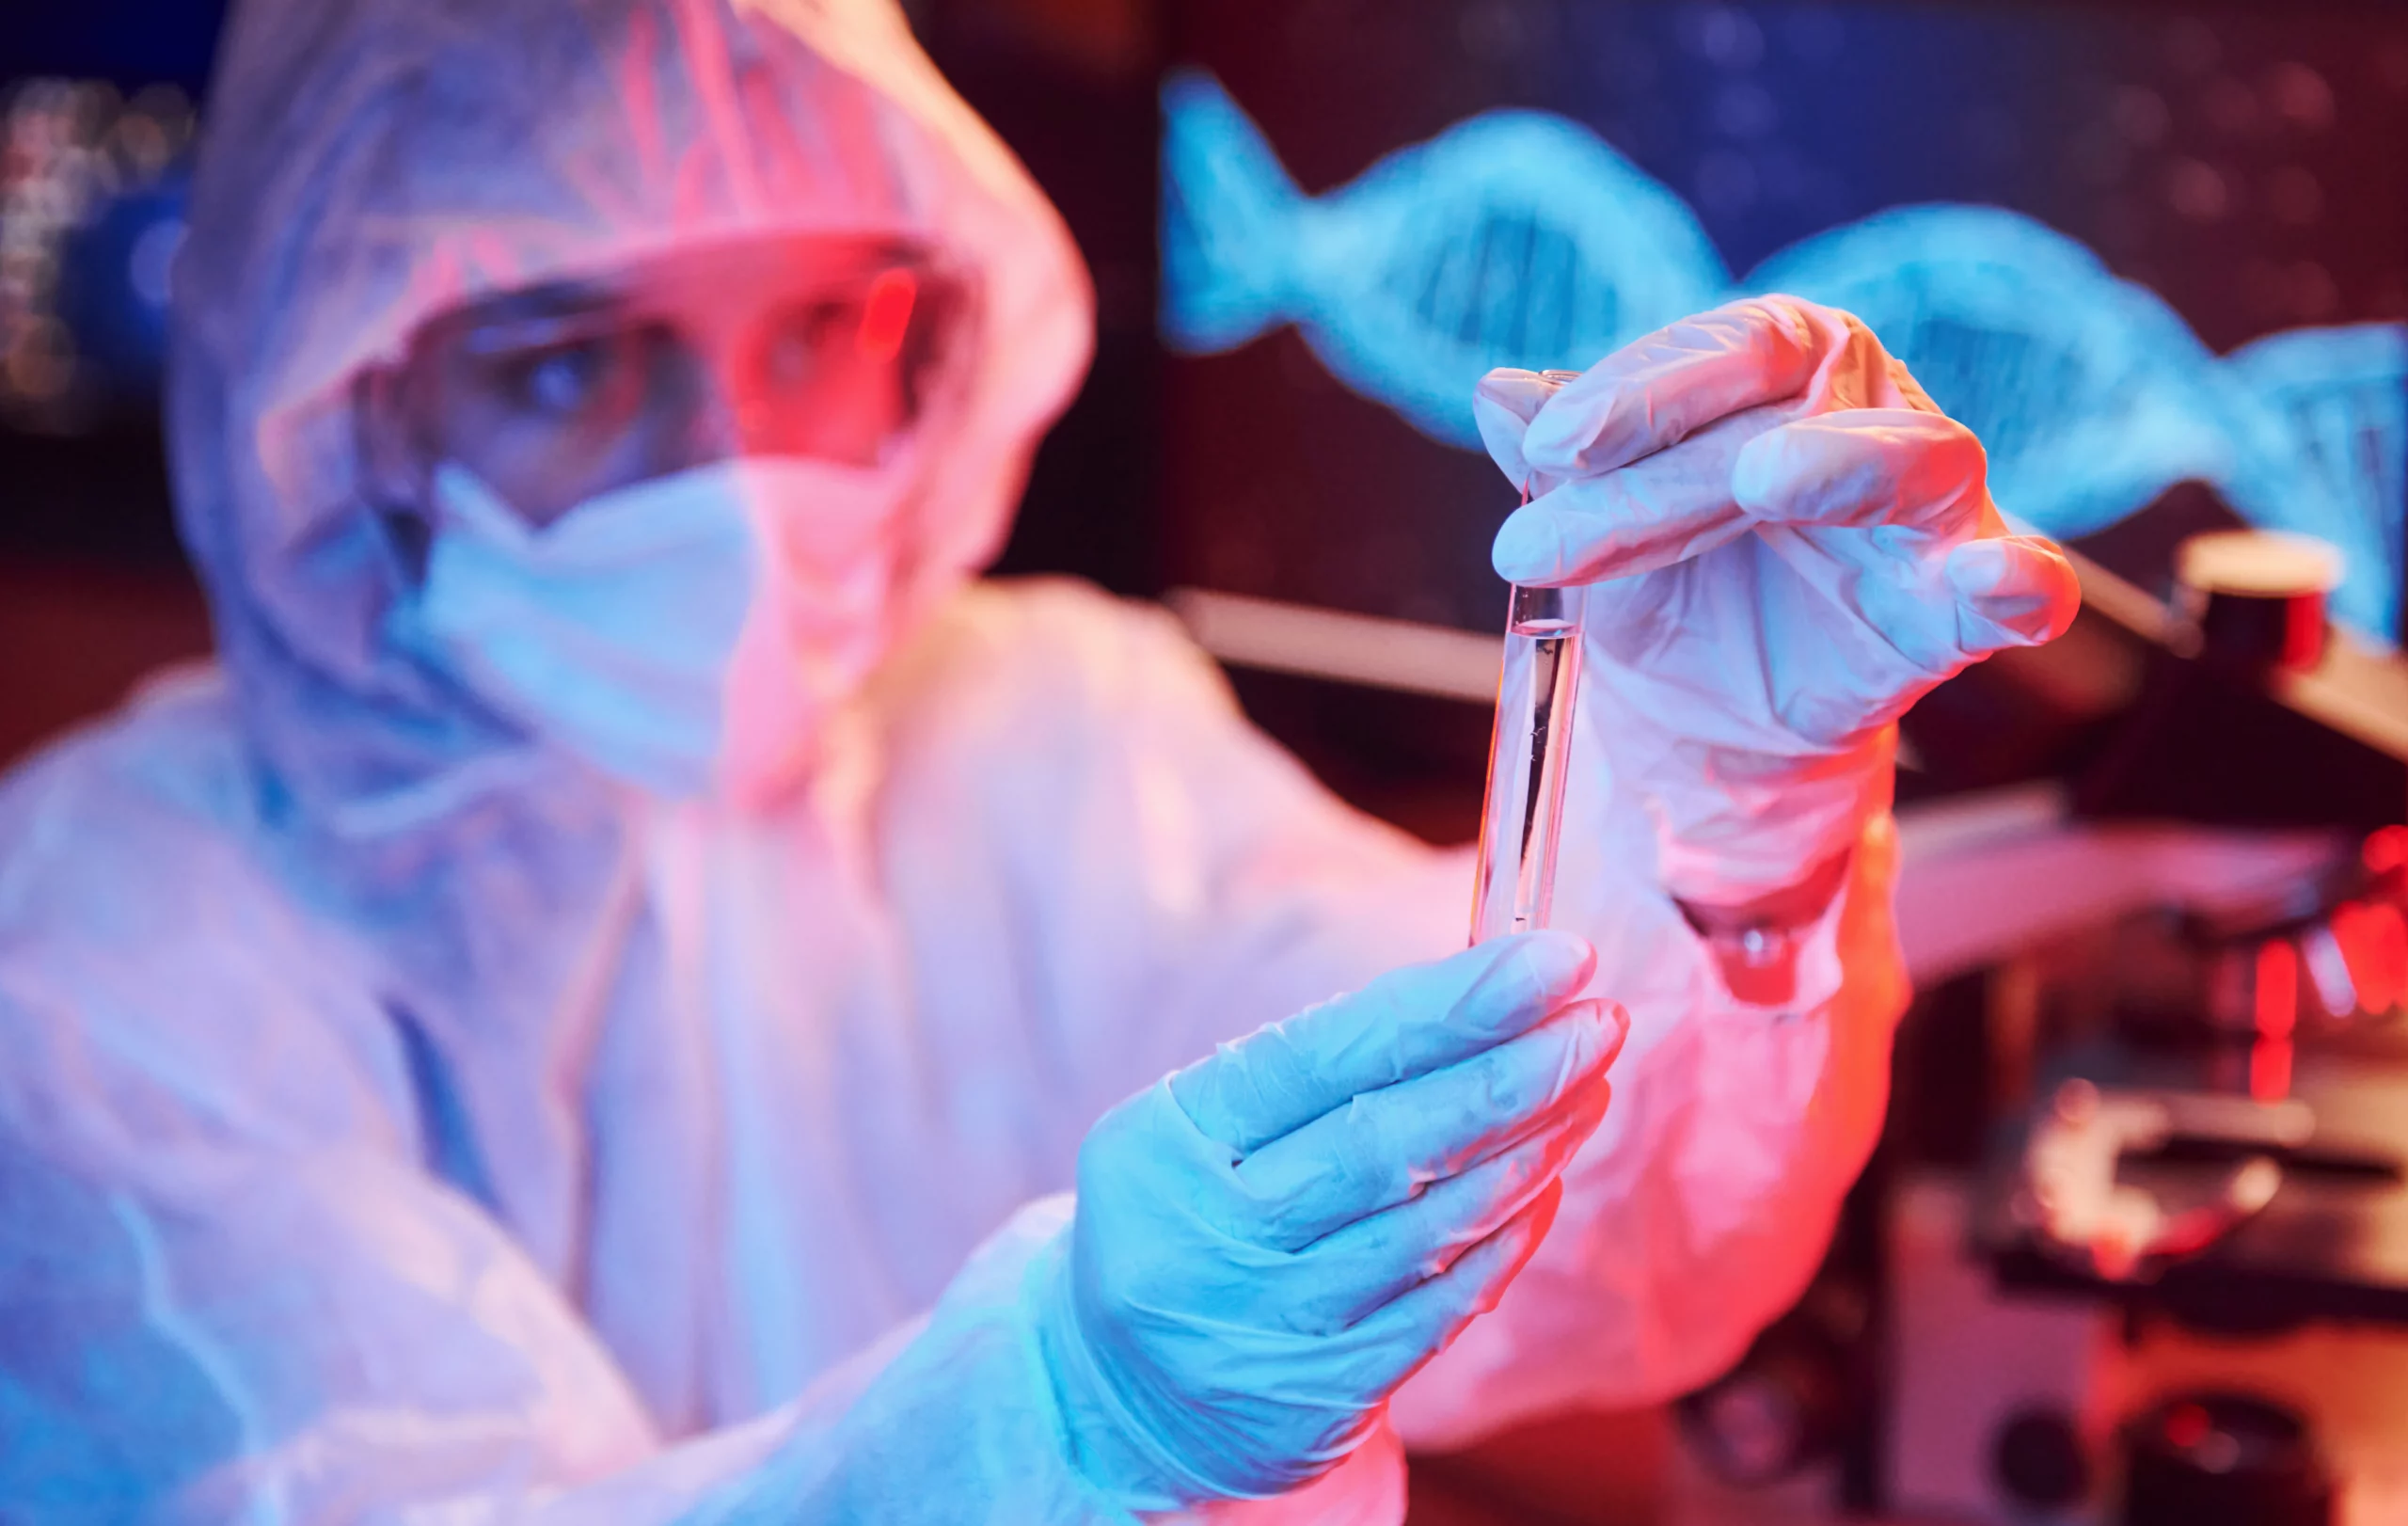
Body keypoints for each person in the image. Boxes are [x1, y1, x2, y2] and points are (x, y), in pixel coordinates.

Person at [0, 0, 2077, 1519]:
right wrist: (1071, 1428)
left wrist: (1723, 837)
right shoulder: (99, 974)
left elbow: (1584, 1254)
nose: (737, 474)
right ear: (345, 401)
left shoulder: (1050, 728)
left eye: (819, 327)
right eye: (569, 362)